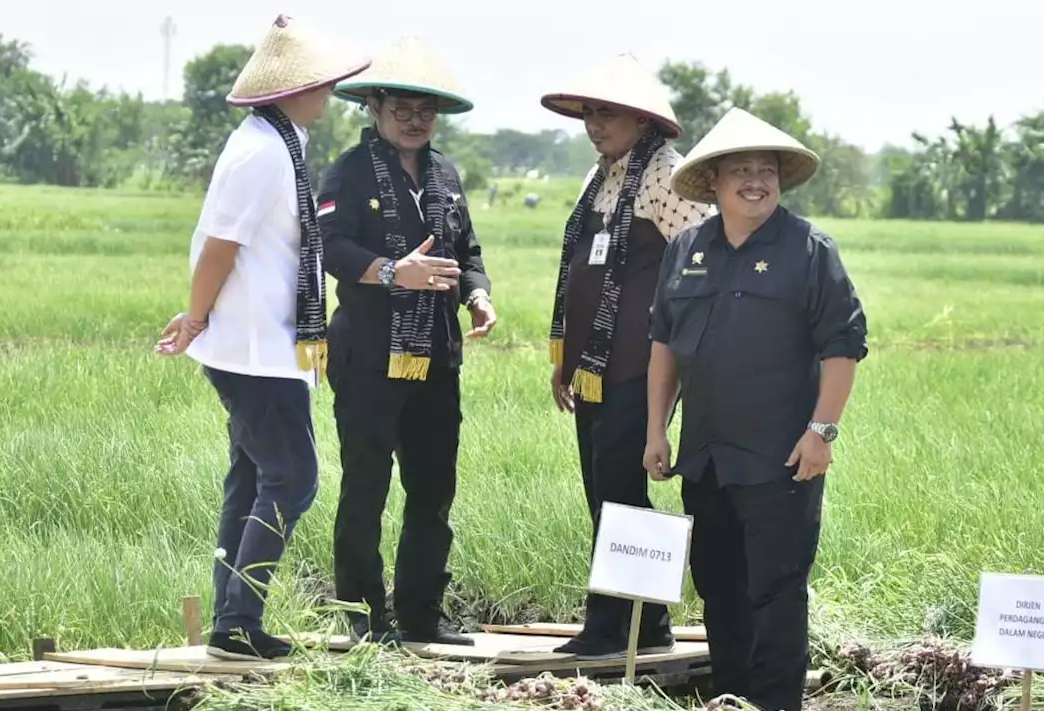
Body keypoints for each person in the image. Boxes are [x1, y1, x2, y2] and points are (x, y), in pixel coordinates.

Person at [154, 15, 370, 661]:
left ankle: (232, 622)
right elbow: (221, 244)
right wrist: (194, 316)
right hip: (253, 349)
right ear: (295, 89)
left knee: (252, 481)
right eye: (322, 86)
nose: (328, 98)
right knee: (293, 478)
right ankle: (237, 622)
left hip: (266, 344)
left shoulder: (277, 142)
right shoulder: (261, 151)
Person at [644, 107, 869, 711]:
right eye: (740, 169)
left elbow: (843, 346)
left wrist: (821, 432)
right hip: (707, 455)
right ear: (713, 182)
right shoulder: (688, 248)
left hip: (781, 458)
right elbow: (664, 344)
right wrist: (655, 431)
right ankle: (731, 698)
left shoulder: (809, 250)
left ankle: (775, 708)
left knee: (776, 589)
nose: (755, 181)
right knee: (718, 585)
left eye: (765, 170)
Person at [314, 36, 495, 647]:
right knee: (366, 484)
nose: (415, 120)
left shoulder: (445, 172)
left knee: (433, 487)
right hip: (368, 353)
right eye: (402, 109)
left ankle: (422, 613)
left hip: (436, 356)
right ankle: (365, 620)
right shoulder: (349, 170)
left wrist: (477, 293)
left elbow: (465, 248)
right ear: (373, 106)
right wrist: (395, 271)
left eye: (426, 110)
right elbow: (331, 248)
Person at [538, 53, 714, 660]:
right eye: (588, 114)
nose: (594, 125)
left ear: (641, 120)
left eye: (606, 114)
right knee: (601, 485)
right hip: (593, 366)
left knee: (621, 490)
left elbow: (702, 257)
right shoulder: (600, 177)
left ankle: (627, 625)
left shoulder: (666, 173)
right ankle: (632, 622)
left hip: (640, 365)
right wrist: (565, 359)